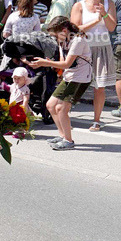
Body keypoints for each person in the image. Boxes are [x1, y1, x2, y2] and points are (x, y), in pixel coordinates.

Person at [30, 17, 92, 151]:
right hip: (70, 77)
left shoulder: (78, 41)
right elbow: (63, 63)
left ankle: (68, 141)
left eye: (55, 35)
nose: (54, 38)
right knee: (50, 105)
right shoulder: (63, 41)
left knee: (61, 109)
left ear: (64, 31)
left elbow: (67, 64)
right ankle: (63, 136)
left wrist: (46, 63)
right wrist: (50, 63)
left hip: (80, 78)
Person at [70, 0, 116, 131]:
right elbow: (75, 29)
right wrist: (95, 21)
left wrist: (104, 14)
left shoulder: (109, 4)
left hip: (102, 48)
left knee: (99, 86)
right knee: (74, 83)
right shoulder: (79, 6)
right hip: (84, 49)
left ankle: (96, 120)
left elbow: (111, 27)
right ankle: (65, 112)